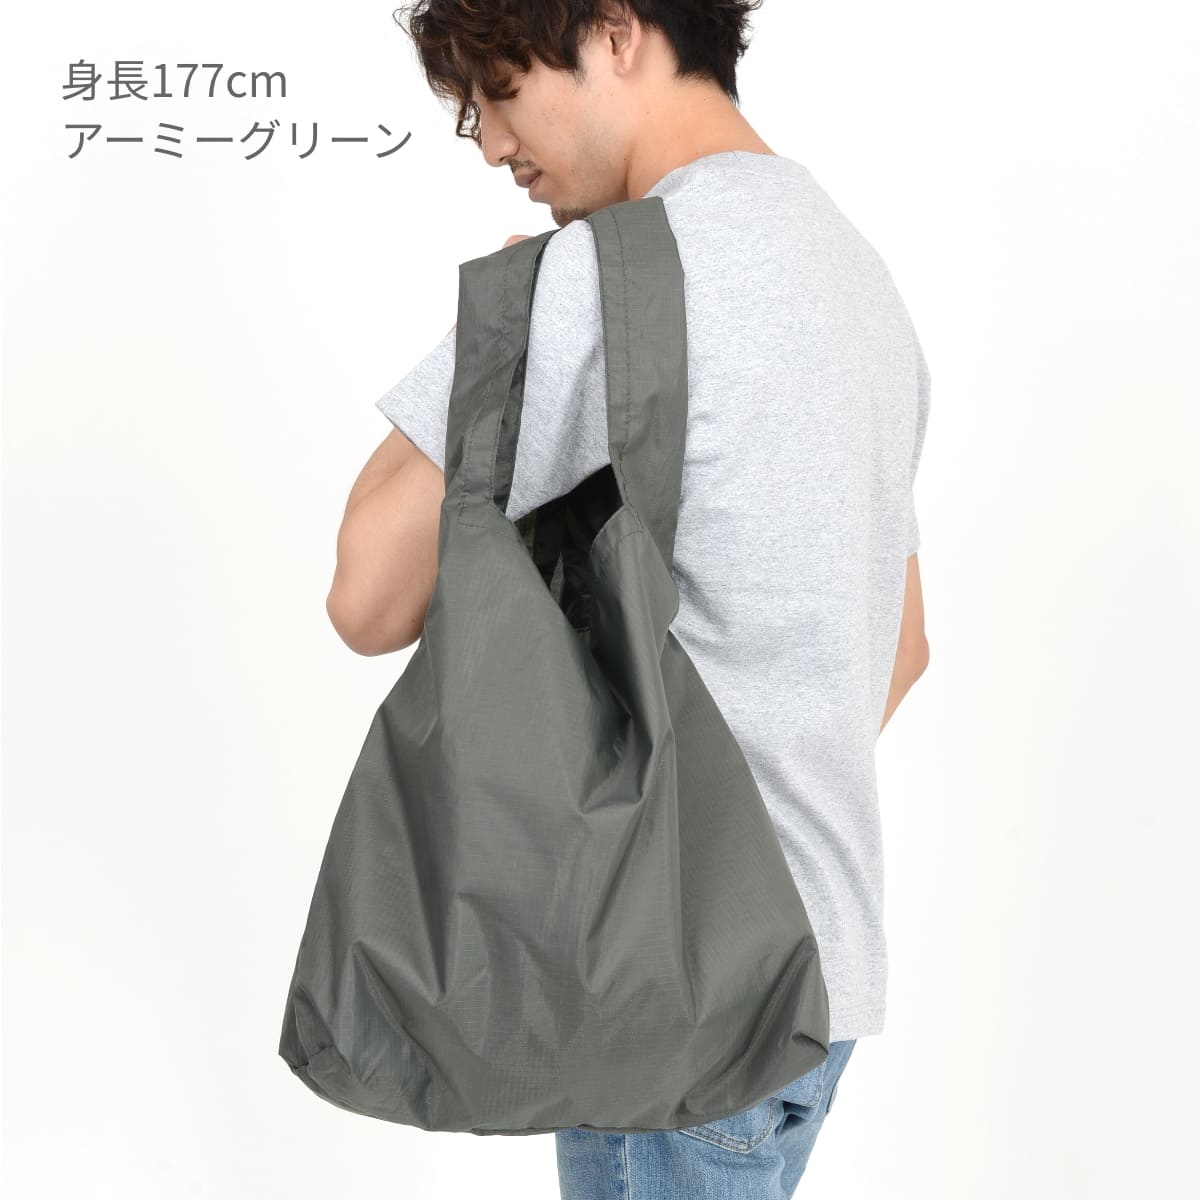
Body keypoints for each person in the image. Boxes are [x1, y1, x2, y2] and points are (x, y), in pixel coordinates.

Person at [326, 2, 931, 1195]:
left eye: (502, 93)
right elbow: (900, 646)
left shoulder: (612, 277)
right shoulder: (858, 279)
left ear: (615, 33)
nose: (494, 146)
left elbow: (366, 592)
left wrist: (495, 327)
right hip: (820, 975)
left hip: (669, 992)